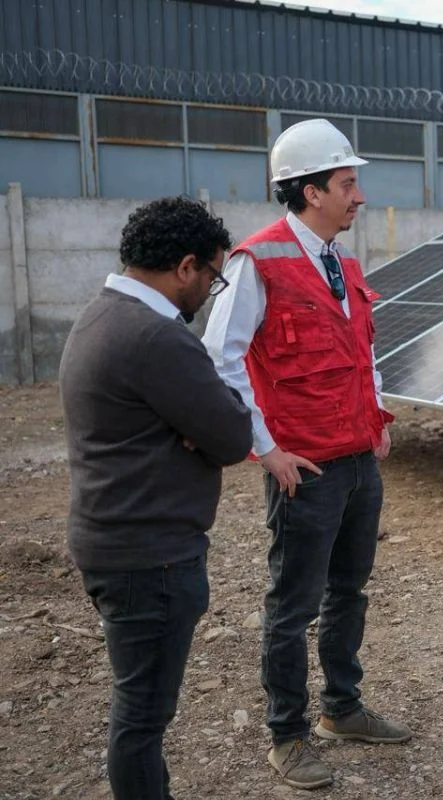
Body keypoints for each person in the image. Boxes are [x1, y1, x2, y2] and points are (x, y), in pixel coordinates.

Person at [202, 119, 405, 790]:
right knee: (293, 606)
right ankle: (286, 735)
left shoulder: (345, 262)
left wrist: (377, 416)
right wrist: (267, 450)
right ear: (311, 191)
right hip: (306, 469)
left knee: (349, 589)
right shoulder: (255, 262)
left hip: (358, 460)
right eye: (348, 184)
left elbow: (362, 348)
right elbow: (220, 359)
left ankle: (341, 709)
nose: (359, 197)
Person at [59, 197, 252, 800]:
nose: (212, 291)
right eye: (213, 276)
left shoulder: (99, 316)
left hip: (115, 542)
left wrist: (197, 423)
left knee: (138, 710)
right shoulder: (158, 338)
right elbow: (232, 435)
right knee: (142, 719)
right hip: (152, 558)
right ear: (186, 266)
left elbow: (210, 426)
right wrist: (204, 423)